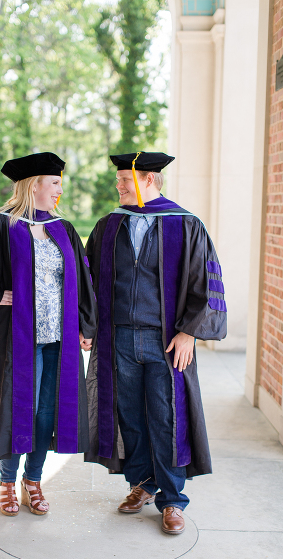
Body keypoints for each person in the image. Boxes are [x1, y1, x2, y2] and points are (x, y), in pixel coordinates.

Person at [0, 152, 97, 516]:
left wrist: (85, 325)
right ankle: (8, 483)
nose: (61, 189)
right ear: (35, 185)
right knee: (17, 409)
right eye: (55, 182)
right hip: (15, 339)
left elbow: (83, 278)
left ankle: (34, 480)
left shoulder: (64, 229)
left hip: (57, 338)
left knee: (46, 412)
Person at [84, 152, 227, 535]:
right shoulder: (110, 224)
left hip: (166, 341)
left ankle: (173, 500)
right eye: (118, 180)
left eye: (125, 181)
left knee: (167, 418)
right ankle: (143, 484)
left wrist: (189, 332)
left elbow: (206, 282)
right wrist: (89, 325)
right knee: (129, 415)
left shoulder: (185, 224)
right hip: (120, 338)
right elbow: (90, 278)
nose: (119, 186)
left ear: (149, 180)